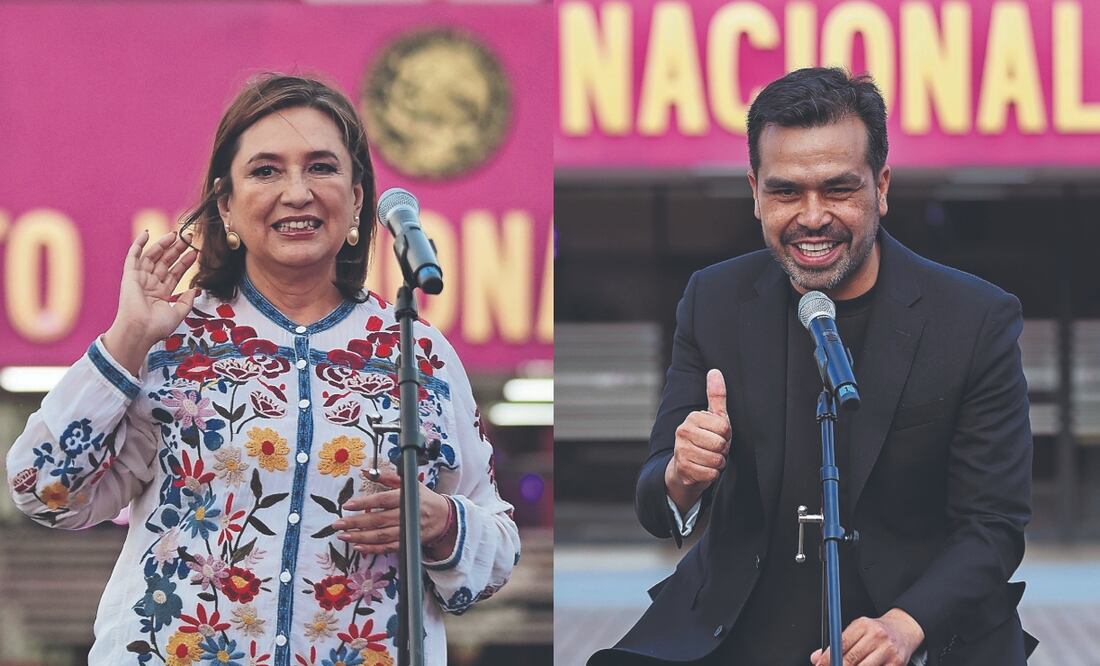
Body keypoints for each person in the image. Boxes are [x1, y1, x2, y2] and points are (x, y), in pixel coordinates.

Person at [5, 74, 519, 666]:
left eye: (321, 167)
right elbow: (42, 490)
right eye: (266, 170)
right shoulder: (171, 341)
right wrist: (127, 338)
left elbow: (497, 552)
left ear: (357, 199)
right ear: (226, 203)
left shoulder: (418, 353)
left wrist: (442, 524)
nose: (297, 192)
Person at [591, 68, 1036, 666]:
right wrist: (683, 474)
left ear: (881, 187)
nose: (812, 216)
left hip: (912, 631)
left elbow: (994, 525)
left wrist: (906, 626)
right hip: (735, 629)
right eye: (785, 192)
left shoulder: (974, 317)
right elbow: (655, 501)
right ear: (755, 192)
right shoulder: (713, 299)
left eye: (838, 189)